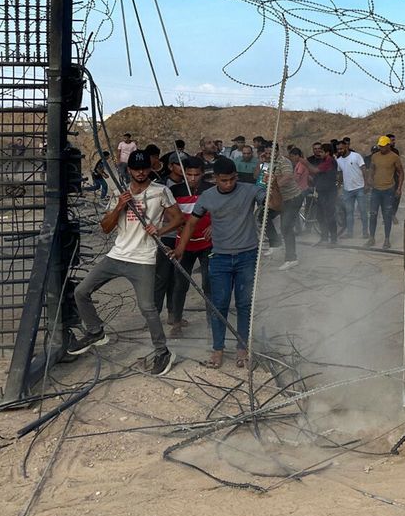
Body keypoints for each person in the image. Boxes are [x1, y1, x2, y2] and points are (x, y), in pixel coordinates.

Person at [68, 150, 184, 376]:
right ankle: (95, 331)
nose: (141, 172)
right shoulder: (119, 194)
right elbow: (105, 227)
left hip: (143, 258)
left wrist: (160, 230)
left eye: (145, 168)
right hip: (117, 255)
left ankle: (162, 352)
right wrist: (120, 205)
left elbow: (179, 218)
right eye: (136, 168)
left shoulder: (160, 191)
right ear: (129, 170)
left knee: (147, 308)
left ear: (151, 169)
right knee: (81, 291)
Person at [173, 156, 262, 369]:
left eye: (232, 179)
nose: (229, 184)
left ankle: (242, 348)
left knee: (244, 304)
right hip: (220, 258)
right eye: (224, 180)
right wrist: (180, 250)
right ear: (215, 179)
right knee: (218, 305)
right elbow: (191, 224)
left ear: (236, 177)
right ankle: (218, 349)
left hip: (247, 256)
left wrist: (273, 184)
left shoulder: (250, 190)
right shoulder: (207, 197)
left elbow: (275, 205)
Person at [157, 157, 212, 336]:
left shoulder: (210, 190)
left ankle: (213, 322)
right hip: (184, 244)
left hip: (207, 244)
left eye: (197, 174)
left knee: (208, 284)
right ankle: (177, 321)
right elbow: (167, 213)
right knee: (180, 284)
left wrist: (214, 226)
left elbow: (220, 211)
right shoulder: (174, 190)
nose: (193, 178)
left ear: (203, 173)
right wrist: (176, 222)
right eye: (189, 174)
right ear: (184, 173)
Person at [266, 148, 304, 268]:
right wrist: (261, 163)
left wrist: (274, 187)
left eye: (271, 152)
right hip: (279, 199)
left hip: (292, 198)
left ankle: (291, 258)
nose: (269, 155)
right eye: (266, 153)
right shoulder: (267, 163)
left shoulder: (284, 161)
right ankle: (276, 244)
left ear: (277, 152)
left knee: (286, 226)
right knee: (264, 216)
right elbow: (260, 179)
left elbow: (287, 176)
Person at [365, 136, 403, 250]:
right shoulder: (375, 156)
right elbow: (372, 169)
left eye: (383, 146)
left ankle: (386, 239)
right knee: (372, 214)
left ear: (388, 145)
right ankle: (371, 238)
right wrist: (370, 178)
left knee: (387, 215)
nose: (381, 148)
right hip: (376, 190)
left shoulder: (395, 157)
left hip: (388, 190)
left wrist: (399, 188)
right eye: (380, 146)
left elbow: (401, 173)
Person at [335, 138, 366, 238]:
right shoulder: (338, 161)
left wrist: (367, 184)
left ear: (346, 147)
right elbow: (340, 175)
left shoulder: (356, 156)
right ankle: (350, 233)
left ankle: (366, 232)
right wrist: (339, 187)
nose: (339, 151)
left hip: (359, 187)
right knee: (349, 212)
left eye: (341, 148)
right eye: (338, 149)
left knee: (362, 211)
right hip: (347, 190)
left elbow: (364, 169)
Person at [309, 141, 339, 246]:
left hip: (329, 192)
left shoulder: (329, 161)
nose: (319, 153)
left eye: (321, 152)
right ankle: (324, 237)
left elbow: (315, 170)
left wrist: (302, 161)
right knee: (320, 216)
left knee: (330, 215)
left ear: (327, 152)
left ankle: (333, 239)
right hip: (321, 192)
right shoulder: (323, 161)